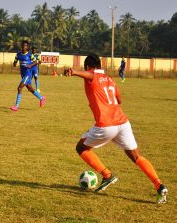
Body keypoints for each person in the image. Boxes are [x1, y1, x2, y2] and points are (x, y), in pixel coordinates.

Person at [67, 54, 168, 204]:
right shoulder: (110, 80)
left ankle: (107, 175)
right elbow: (119, 99)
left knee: (81, 148)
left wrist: (74, 72)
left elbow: (90, 76)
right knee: (136, 157)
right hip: (123, 123)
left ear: (88, 66)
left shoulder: (92, 76)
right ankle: (159, 185)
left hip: (106, 125)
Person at [10, 40, 46, 111]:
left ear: (27, 47)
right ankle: (42, 98)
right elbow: (15, 62)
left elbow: (36, 62)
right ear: (21, 46)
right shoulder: (18, 54)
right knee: (30, 89)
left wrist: (30, 65)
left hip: (28, 74)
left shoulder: (30, 55)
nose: (24, 46)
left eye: (26, 45)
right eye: (23, 45)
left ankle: (16, 106)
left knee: (19, 88)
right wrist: (14, 64)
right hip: (23, 75)